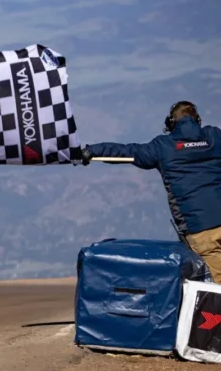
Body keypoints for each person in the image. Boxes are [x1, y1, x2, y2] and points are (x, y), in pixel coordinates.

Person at [82, 101, 221, 281]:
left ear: (171, 123)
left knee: (216, 290)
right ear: (197, 120)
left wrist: (91, 151)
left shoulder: (163, 147)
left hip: (201, 229)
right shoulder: (215, 137)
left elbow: (126, 152)